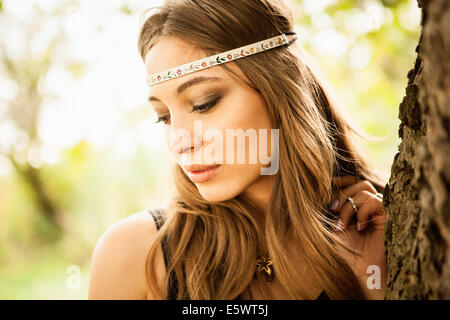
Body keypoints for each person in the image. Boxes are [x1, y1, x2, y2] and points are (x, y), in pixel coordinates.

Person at [88, 0, 387, 300]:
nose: (180, 142)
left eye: (203, 103)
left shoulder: (384, 222)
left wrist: (373, 282)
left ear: (278, 89)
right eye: (164, 116)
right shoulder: (135, 254)